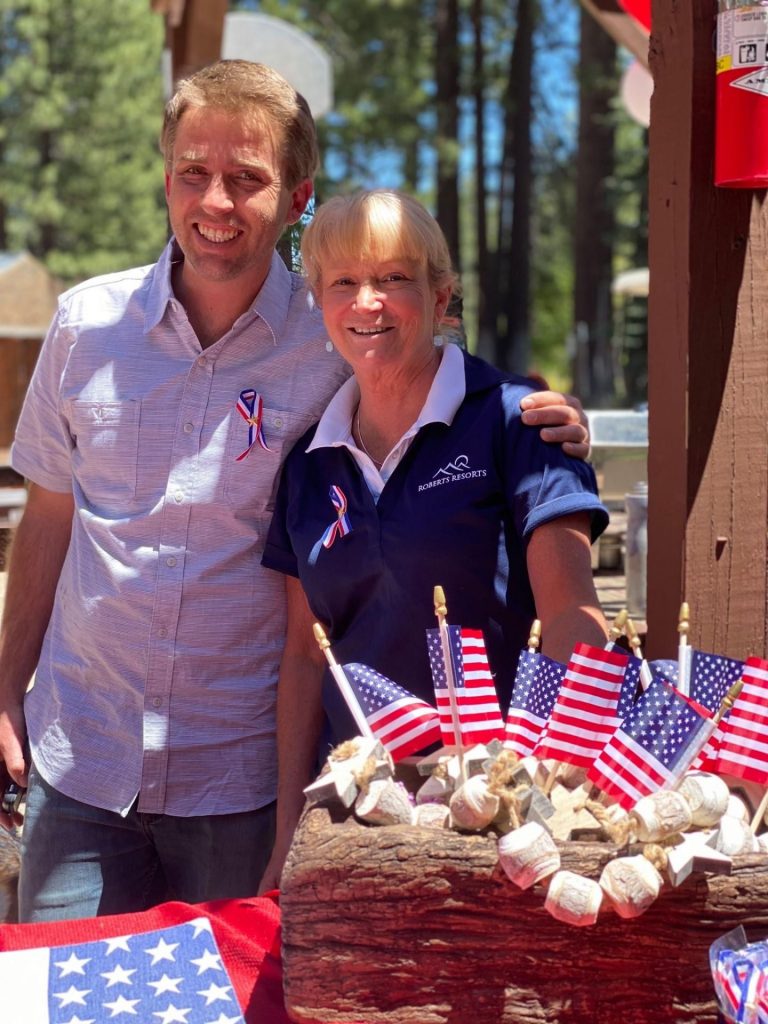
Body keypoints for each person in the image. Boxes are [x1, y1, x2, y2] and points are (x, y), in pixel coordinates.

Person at [0, 60, 592, 923]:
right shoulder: (85, 326)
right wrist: (4, 689)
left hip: (239, 777)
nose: (215, 202)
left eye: (247, 180)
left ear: (297, 196)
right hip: (82, 758)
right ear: (167, 180)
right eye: (194, 174)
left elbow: (429, 368)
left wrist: (541, 419)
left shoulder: (334, 343)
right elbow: (49, 518)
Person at [259, 190, 609, 891]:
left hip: (507, 813)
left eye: (394, 278)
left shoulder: (520, 422)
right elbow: (305, 658)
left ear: (441, 295)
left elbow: (576, 616)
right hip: (364, 815)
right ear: (320, 304)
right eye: (344, 283)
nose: (368, 302)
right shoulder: (305, 465)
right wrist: (283, 845)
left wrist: (543, 788)